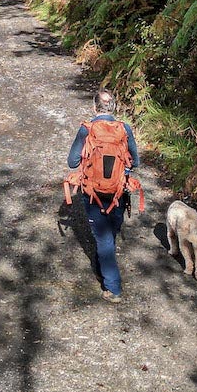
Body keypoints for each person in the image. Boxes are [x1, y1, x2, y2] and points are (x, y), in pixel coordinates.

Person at [66, 89, 140, 303]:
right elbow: (135, 162)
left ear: (94, 107)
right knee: (108, 236)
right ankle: (102, 269)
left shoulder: (86, 130)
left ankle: (113, 288)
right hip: (118, 192)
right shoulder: (124, 128)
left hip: (93, 193)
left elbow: (72, 162)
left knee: (104, 240)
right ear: (114, 108)